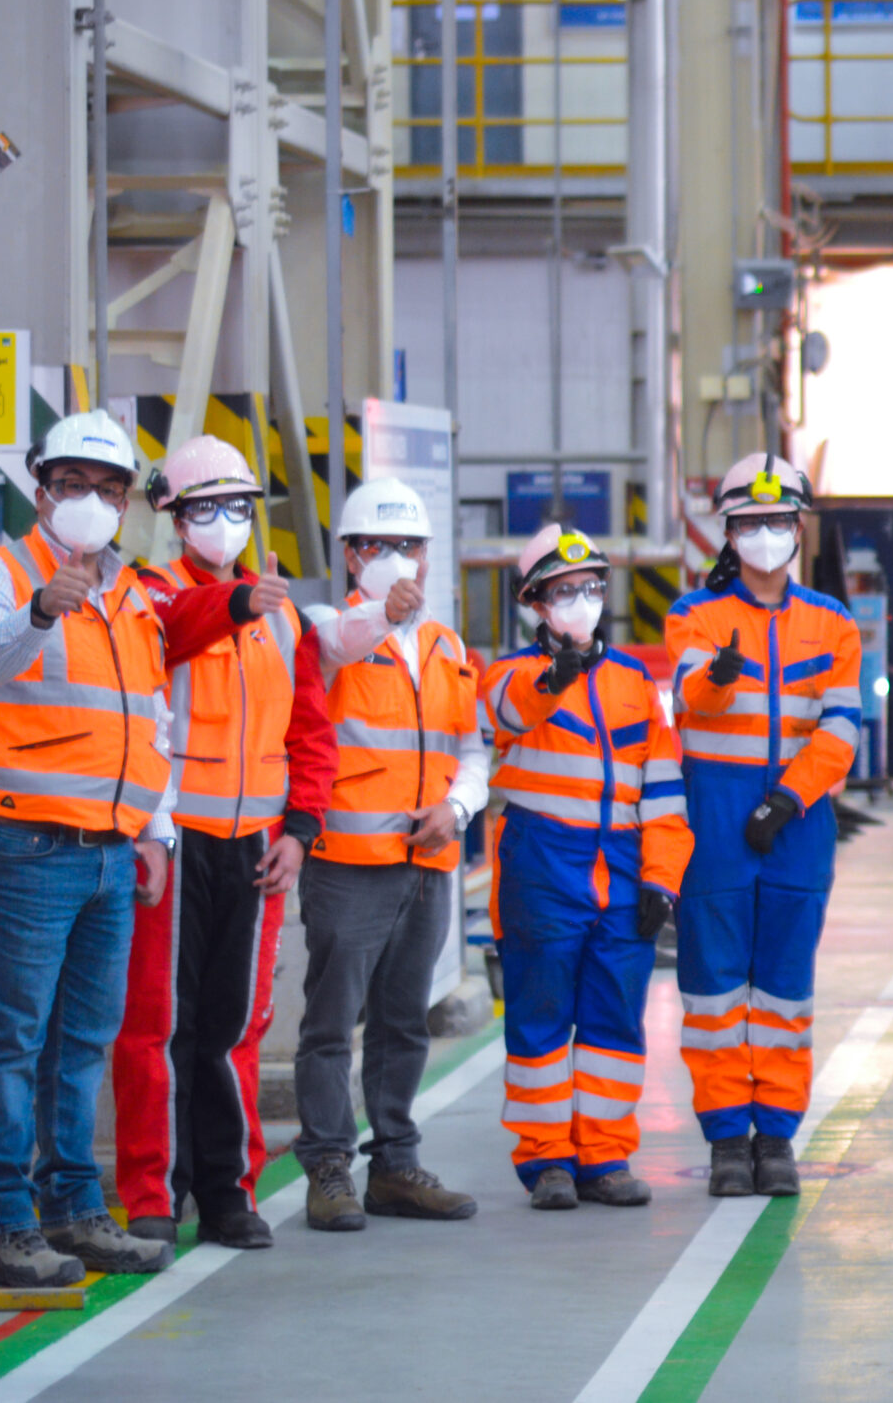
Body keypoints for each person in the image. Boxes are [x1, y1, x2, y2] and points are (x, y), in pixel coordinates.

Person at [0, 410, 290, 1286]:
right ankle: (6, 1219)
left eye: (109, 491)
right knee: (11, 1039)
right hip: (23, 844)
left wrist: (151, 830)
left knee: (84, 1044)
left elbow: (150, 721)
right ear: (41, 490)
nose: (92, 504)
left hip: (112, 852)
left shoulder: (134, 598)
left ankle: (73, 1209)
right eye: (74, 487)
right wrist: (38, 611)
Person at [114, 436, 336, 1251]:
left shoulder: (280, 614)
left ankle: (227, 1189)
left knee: (231, 1027)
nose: (228, 522)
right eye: (208, 508)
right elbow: (174, 631)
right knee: (156, 1026)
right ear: (172, 518)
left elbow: (311, 731)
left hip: (255, 847)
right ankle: (150, 1193)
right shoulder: (146, 597)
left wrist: (302, 832)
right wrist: (238, 605)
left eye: (239, 507)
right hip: (173, 840)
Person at [663, 455, 863, 1197]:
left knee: (783, 985)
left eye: (780, 522)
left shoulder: (833, 622)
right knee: (713, 987)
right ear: (729, 533)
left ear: (799, 529)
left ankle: (775, 1134)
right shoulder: (696, 616)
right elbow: (686, 701)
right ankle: (724, 1137)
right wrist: (716, 678)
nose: (767, 535)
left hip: (797, 823)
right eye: (751, 523)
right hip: (712, 818)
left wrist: (789, 798)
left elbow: (842, 726)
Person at [294, 477, 486, 1232]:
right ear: (350, 556)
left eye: (410, 547)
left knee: (406, 1021)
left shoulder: (447, 647)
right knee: (331, 1023)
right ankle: (328, 1168)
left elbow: (470, 749)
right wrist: (381, 613)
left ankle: (395, 1166)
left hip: (427, 864)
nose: (398, 560)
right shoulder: (324, 628)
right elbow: (339, 648)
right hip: (346, 862)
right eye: (380, 546)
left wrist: (458, 808)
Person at [483, 525, 691, 1210]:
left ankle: (604, 1155)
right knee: (540, 1019)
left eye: (591, 588)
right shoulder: (511, 677)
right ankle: (546, 1161)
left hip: (625, 870)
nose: (580, 601)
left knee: (613, 1021)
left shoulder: (635, 683)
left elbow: (663, 792)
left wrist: (662, 880)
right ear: (535, 603)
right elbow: (510, 712)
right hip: (543, 866)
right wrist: (554, 678)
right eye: (564, 591)